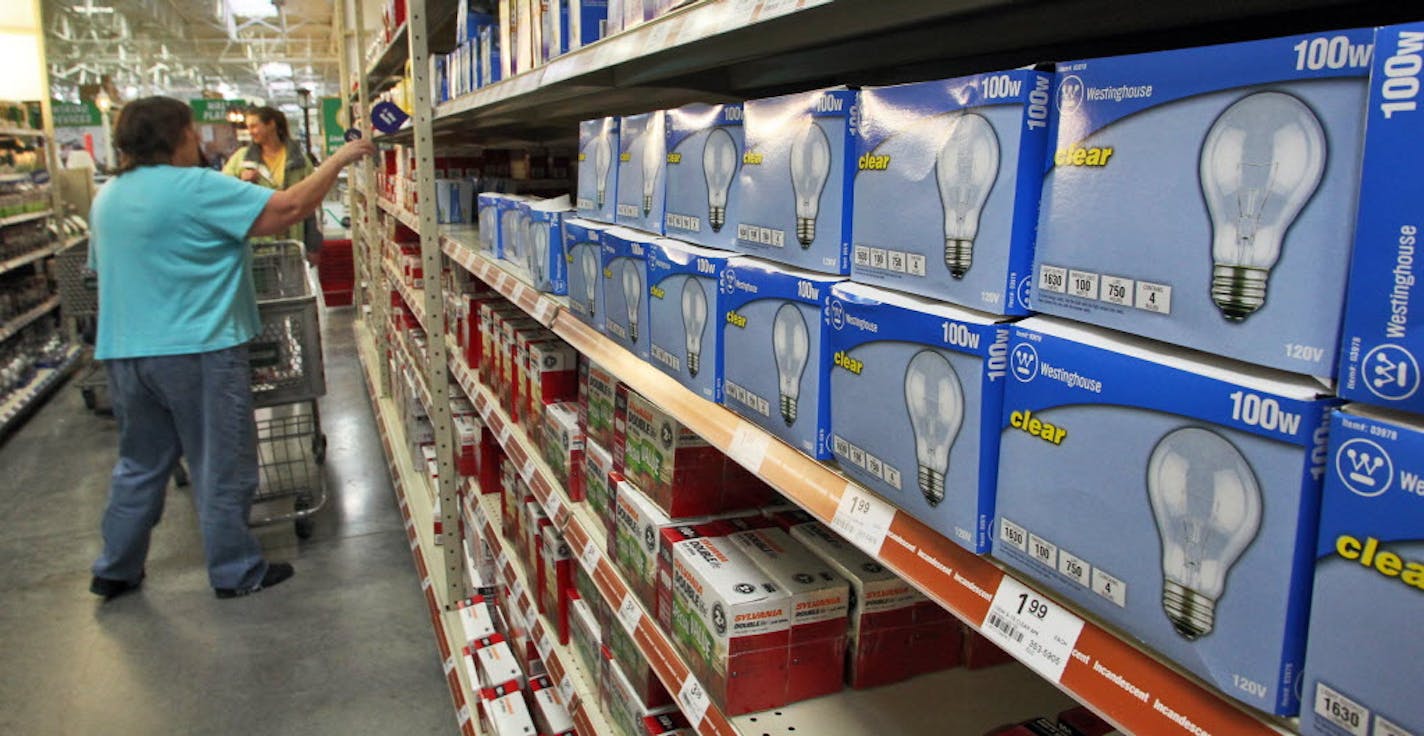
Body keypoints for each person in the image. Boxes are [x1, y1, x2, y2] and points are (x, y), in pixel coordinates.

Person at [87, 96, 374, 600]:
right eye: (191, 131)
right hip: (196, 347)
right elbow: (290, 208)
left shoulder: (109, 196)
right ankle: (235, 570)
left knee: (140, 462)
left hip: (125, 351)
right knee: (220, 460)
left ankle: (115, 567)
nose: (195, 140)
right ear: (175, 137)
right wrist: (341, 158)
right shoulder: (192, 186)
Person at [222, 106, 323, 263]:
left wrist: (312, 246)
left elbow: (310, 207)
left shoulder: (299, 161)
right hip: (257, 249)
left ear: (271, 124)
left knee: (292, 287)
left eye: (254, 126)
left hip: (292, 248)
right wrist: (240, 183)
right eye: (248, 127)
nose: (251, 131)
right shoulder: (241, 159)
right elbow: (221, 196)